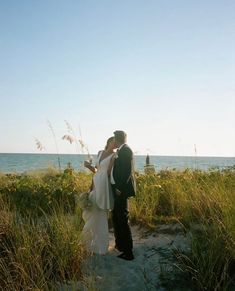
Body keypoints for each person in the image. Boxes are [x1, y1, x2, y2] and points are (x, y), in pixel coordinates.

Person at [82, 137, 116, 254]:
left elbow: (107, 173)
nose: (115, 144)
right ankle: (89, 244)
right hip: (95, 182)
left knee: (99, 214)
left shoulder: (114, 156)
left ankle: (99, 246)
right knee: (91, 212)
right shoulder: (100, 152)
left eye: (117, 142)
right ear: (109, 142)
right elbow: (97, 170)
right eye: (114, 141)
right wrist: (89, 167)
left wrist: (90, 168)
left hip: (103, 185)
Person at [111, 130, 136, 260]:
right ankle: (121, 247)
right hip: (118, 190)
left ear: (117, 139)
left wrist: (119, 188)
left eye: (114, 138)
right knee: (117, 218)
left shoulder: (126, 150)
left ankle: (129, 252)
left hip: (122, 190)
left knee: (123, 220)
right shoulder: (121, 150)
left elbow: (127, 172)